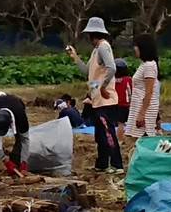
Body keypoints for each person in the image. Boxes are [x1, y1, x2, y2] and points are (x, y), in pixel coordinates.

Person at [67, 17, 122, 173]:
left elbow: (112, 68)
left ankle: (117, 165)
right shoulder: (96, 50)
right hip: (97, 101)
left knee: (108, 133)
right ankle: (102, 164)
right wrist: (75, 58)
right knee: (100, 135)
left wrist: (103, 87)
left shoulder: (104, 47)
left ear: (92, 34)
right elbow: (89, 74)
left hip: (106, 100)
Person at [125, 34, 161, 140]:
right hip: (138, 105)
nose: (134, 48)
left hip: (145, 108)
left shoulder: (149, 66)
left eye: (137, 46)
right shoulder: (144, 65)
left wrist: (142, 113)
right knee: (137, 137)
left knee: (143, 137)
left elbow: (149, 92)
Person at [114, 58, 132, 138]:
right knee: (130, 121)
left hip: (117, 104)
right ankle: (123, 137)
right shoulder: (128, 79)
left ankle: (119, 138)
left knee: (120, 123)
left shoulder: (112, 81)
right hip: (127, 104)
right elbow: (131, 91)